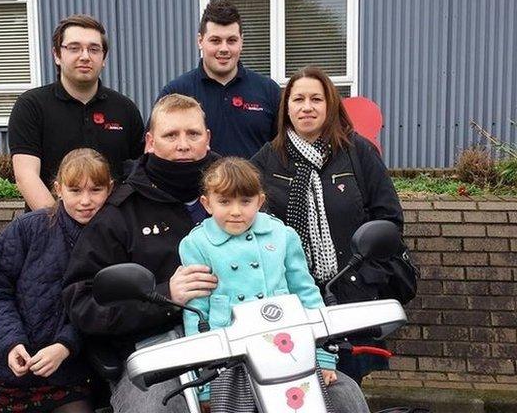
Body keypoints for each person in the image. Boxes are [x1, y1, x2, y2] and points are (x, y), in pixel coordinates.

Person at [63, 94, 370, 413]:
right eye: (171, 135)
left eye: (192, 134)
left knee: (343, 398)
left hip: (267, 338)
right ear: (150, 142)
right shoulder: (120, 214)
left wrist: (316, 350)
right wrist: (164, 297)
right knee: (157, 408)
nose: (183, 144)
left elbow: (297, 279)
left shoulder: (243, 190)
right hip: (162, 347)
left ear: (207, 139)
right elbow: (82, 301)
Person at [251, 66, 404, 384]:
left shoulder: (357, 152)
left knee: (344, 388)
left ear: (330, 104)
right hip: (289, 305)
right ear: (286, 107)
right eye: (298, 99)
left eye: (316, 99)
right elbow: (240, 215)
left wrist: (365, 276)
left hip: (347, 300)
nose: (307, 107)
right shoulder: (268, 159)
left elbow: (388, 218)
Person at [179, 157, 337, 413]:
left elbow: (307, 293)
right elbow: (196, 313)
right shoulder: (196, 244)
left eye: (245, 201)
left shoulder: (283, 236)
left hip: (287, 348)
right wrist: (204, 383)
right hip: (228, 359)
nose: (236, 211)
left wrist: (324, 355)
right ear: (207, 204)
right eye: (224, 201)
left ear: (260, 201)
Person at [0, 148, 114, 413]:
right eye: (75, 190)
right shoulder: (27, 229)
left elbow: (105, 304)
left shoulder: (113, 239)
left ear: (110, 189)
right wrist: (11, 342)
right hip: (11, 370)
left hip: (71, 371)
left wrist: (65, 346)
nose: (85, 201)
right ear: (58, 189)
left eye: (95, 190)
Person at [8, 14, 144, 211]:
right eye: (74, 48)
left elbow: (137, 174)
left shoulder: (125, 109)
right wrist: (59, 228)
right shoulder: (31, 106)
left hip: (114, 234)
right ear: (56, 54)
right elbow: (26, 176)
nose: (85, 56)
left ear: (103, 58)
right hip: (50, 230)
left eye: (94, 49)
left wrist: (113, 224)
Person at [153, 0, 280, 159]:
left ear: (242, 41)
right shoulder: (176, 91)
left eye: (231, 41)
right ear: (200, 41)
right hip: (194, 185)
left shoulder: (268, 91)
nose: (224, 49)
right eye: (215, 41)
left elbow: (283, 152)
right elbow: (153, 150)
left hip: (255, 185)